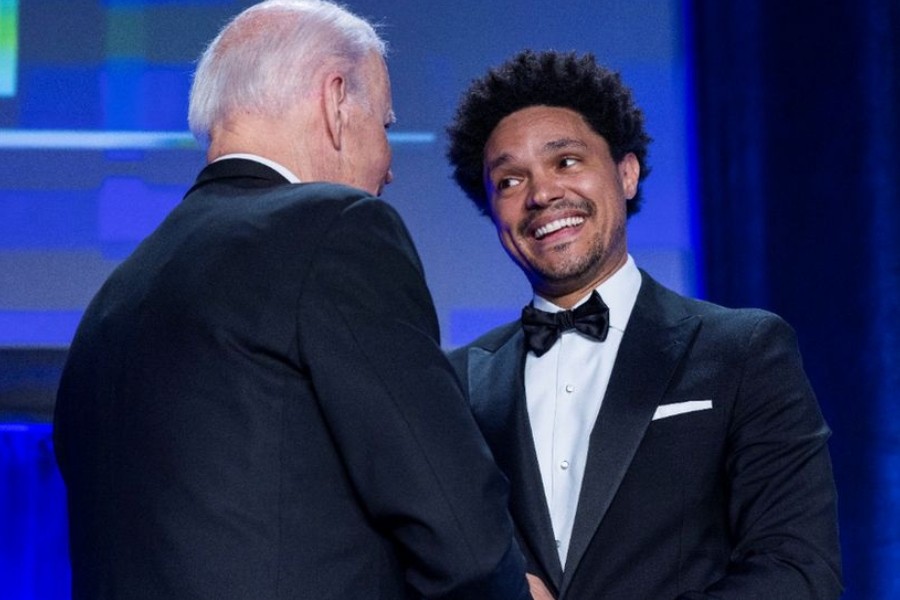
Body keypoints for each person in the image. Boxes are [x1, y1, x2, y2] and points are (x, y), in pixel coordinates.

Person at [53, 2, 535, 599]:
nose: (388, 169)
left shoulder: (114, 298)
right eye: (384, 125)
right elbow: (460, 533)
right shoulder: (337, 228)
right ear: (336, 103)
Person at [445, 50, 843, 600]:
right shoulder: (456, 381)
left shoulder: (743, 350)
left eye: (565, 162)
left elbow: (798, 572)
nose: (541, 195)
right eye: (510, 180)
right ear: (492, 211)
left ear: (626, 174)